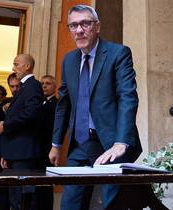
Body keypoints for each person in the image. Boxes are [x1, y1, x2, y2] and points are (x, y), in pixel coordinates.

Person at [49, 5, 142, 210]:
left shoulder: (118, 53)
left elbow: (128, 97)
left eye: (85, 23)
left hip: (110, 144)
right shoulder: (69, 60)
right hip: (80, 144)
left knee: (112, 204)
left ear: (97, 26)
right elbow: (64, 104)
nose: (79, 30)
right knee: (70, 204)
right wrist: (56, 144)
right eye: (73, 25)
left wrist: (121, 142)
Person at [0, 54, 44, 210]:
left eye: (16, 64)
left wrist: (6, 124)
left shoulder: (32, 85)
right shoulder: (24, 87)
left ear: (27, 66)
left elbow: (31, 113)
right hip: (16, 153)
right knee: (16, 199)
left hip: (23, 154)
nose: (13, 68)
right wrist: (7, 153)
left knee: (23, 201)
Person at [37, 75, 58, 210]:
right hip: (35, 149)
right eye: (42, 83)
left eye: (48, 83)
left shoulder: (57, 104)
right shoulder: (37, 102)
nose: (44, 86)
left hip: (48, 149)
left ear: (54, 87)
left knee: (46, 185)